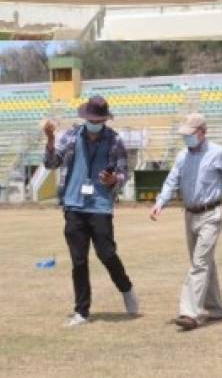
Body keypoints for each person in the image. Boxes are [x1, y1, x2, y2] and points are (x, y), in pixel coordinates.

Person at [43, 95, 138, 327]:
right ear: (85, 118)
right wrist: (50, 140)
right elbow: (51, 163)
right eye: (91, 119)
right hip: (74, 204)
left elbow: (124, 173)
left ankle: (126, 288)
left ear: (104, 119)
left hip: (100, 205)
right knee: (78, 261)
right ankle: (81, 312)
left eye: (99, 119)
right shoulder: (72, 136)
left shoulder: (115, 141)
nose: (94, 122)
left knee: (107, 254)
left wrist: (114, 178)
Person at [150, 113, 222, 331]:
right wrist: (160, 202)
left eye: (191, 134)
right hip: (190, 214)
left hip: (211, 214)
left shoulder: (218, 153)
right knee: (204, 262)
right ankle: (215, 308)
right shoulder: (182, 156)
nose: (187, 139)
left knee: (199, 262)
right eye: (185, 135)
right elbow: (171, 180)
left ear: (203, 132)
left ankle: (189, 312)